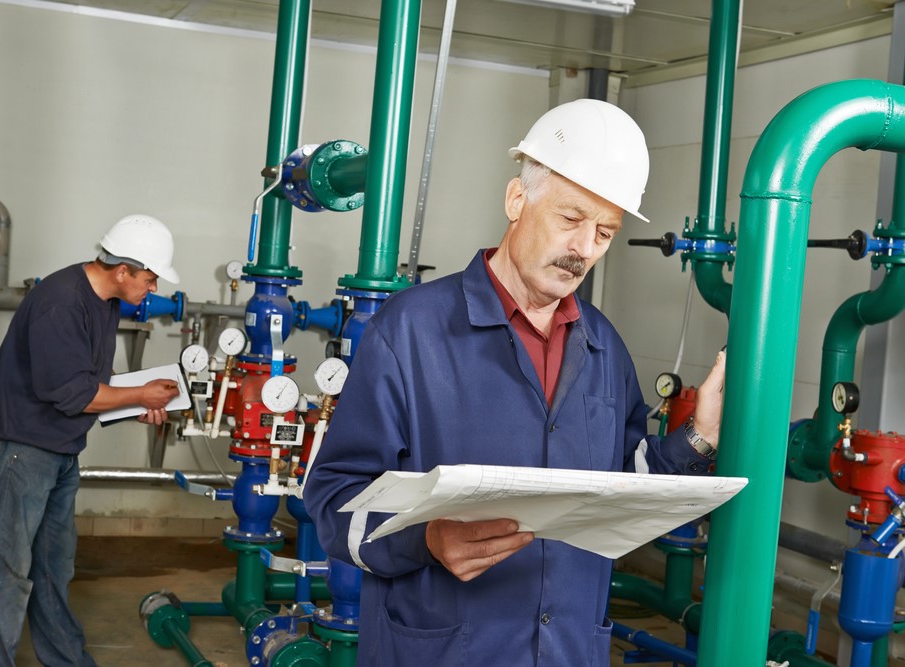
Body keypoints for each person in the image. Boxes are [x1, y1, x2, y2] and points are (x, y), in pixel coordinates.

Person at [304, 99, 727, 666]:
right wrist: (426, 540)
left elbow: (623, 486)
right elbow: (333, 499)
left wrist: (697, 437)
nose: (583, 249)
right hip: (443, 651)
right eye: (570, 219)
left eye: (604, 232)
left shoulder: (604, 348)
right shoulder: (407, 334)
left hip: (568, 650)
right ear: (516, 199)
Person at [0, 214, 182, 666]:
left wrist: (134, 404)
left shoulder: (104, 302)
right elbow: (70, 392)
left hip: (59, 449)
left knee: (53, 567)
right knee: (5, 569)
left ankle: (65, 659)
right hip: (20, 447)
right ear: (122, 269)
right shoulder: (60, 302)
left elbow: (86, 380)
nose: (154, 287)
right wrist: (139, 393)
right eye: (149, 277)